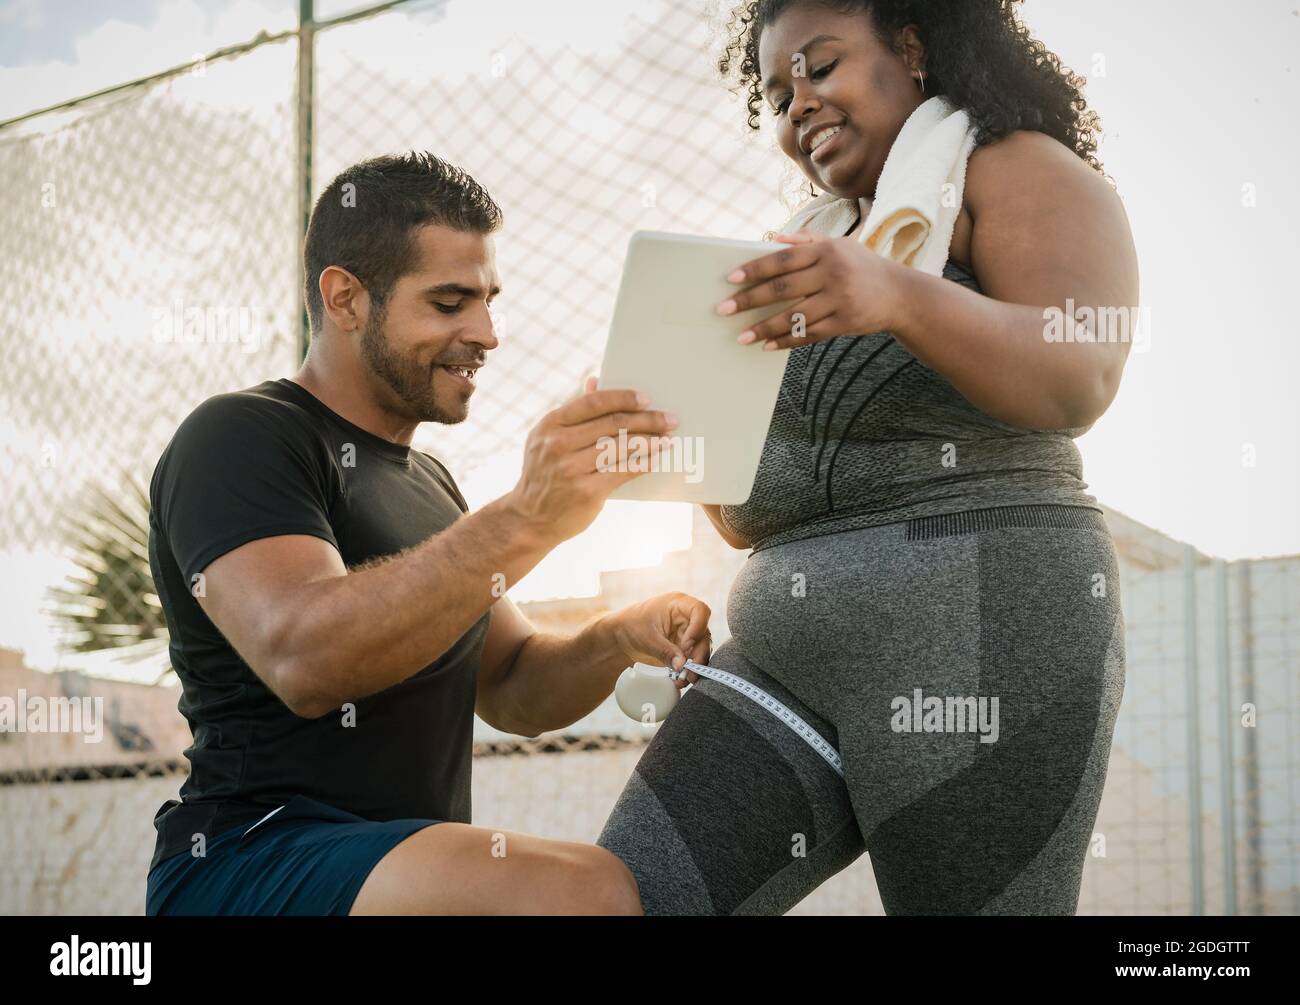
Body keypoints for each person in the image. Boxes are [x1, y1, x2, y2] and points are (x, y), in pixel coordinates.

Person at [598, 0, 1138, 915]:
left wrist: (895, 294)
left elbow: (1077, 373)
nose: (797, 103)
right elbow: (752, 508)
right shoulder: (817, 244)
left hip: (981, 636)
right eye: (776, 93)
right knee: (617, 900)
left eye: (819, 66)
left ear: (915, 49)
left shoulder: (1012, 170)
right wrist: (666, 423)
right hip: (786, 654)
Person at [144, 151, 712, 916]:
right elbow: (302, 655)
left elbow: (511, 684)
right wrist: (525, 517)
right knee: (585, 889)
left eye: (487, 301)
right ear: (345, 298)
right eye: (449, 303)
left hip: (391, 868)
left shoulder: (433, 484)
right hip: (249, 860)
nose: (485, 332)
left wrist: (618, 635)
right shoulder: (240, 435)